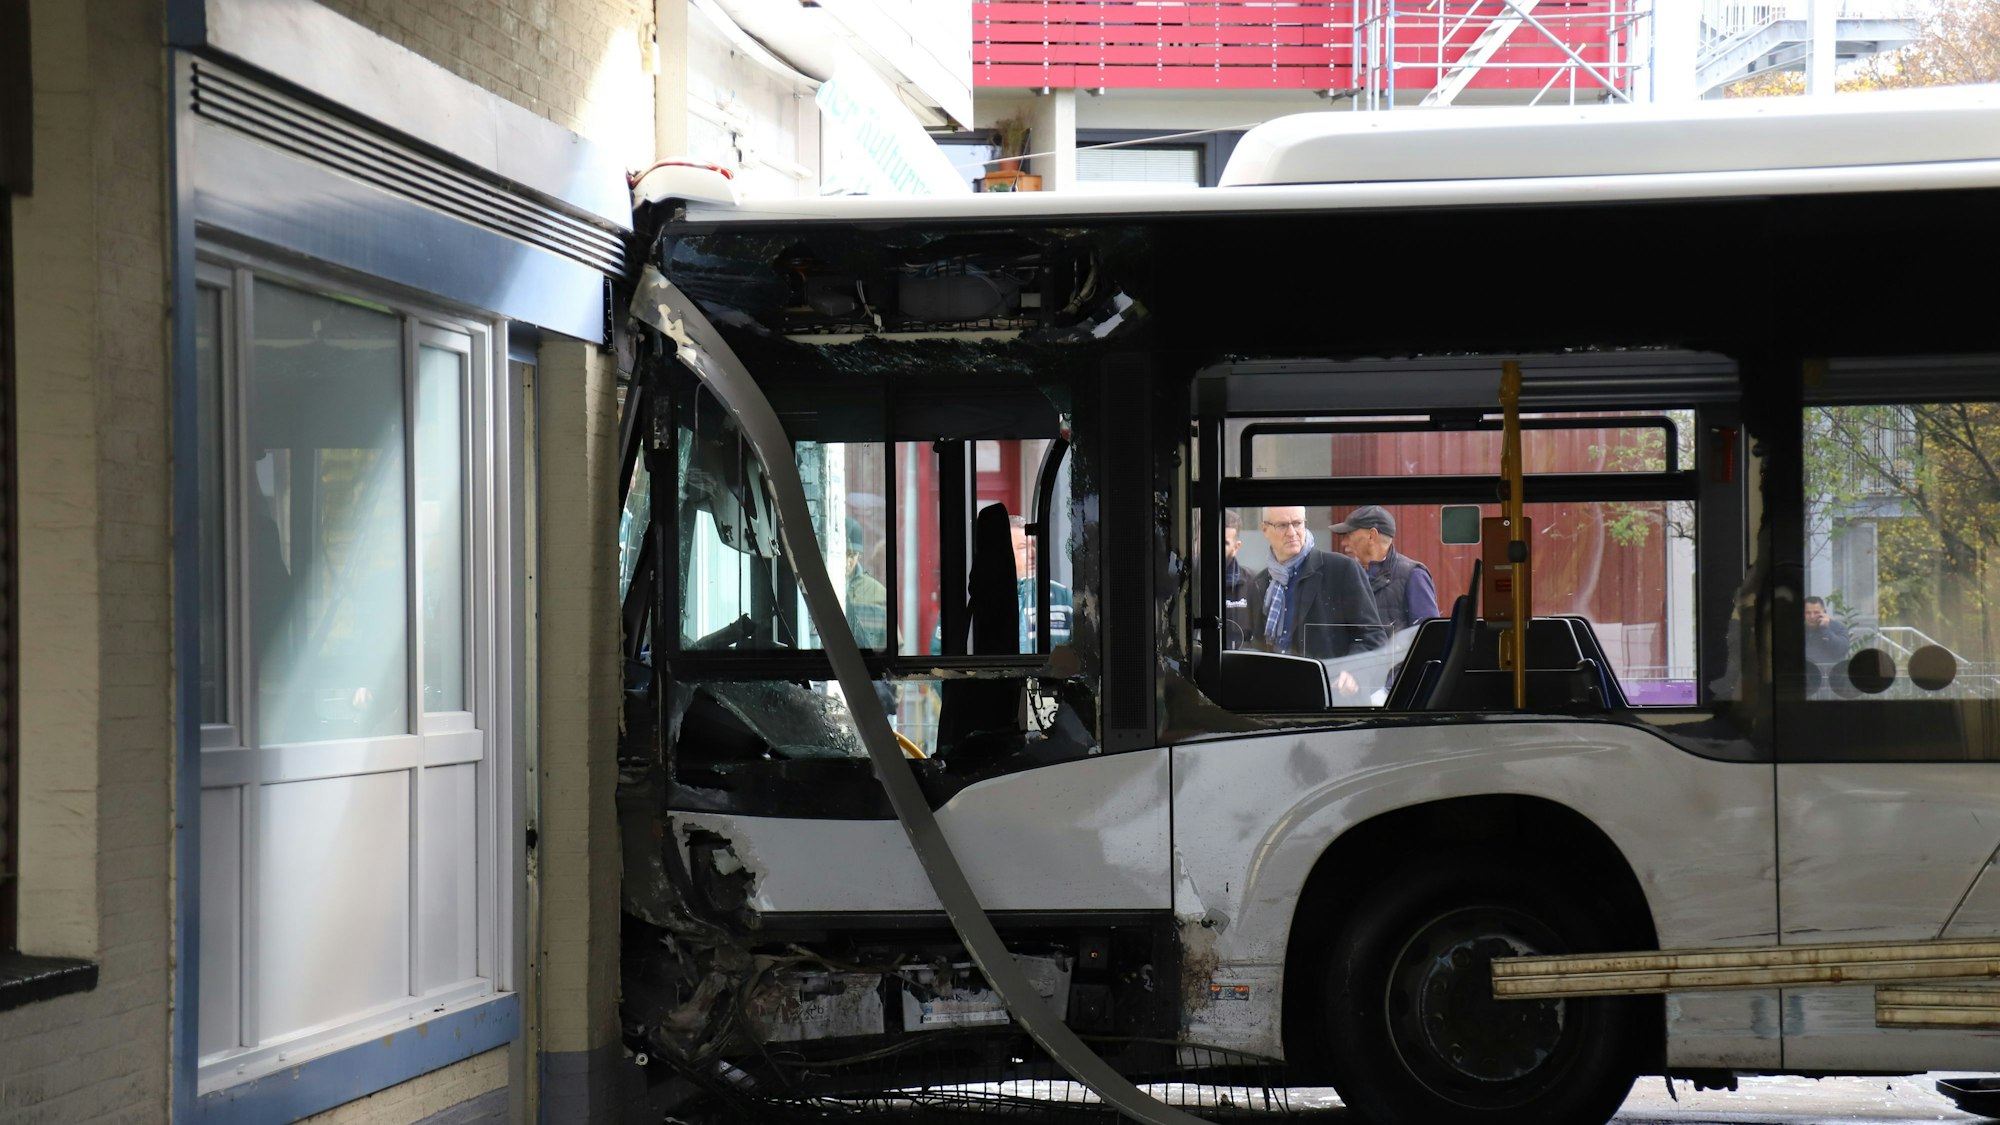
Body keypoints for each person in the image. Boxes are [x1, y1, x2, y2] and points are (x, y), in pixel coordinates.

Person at [1247, 505, 1386, 694]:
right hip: (1277, 698)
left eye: (1297, 523)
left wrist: (1355, 673)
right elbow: (1258, 646)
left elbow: (1373, 637)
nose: (1292, 532)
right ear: (1265, 530)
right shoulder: (1260, 583)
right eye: (1282, 525)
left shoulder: (1341, 569)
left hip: (1331, 697)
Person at [1333, 505, 1439, 633]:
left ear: (1372, 536)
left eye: (1348, 535)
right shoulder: (1348, 575)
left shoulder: (1413, 575)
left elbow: (1429, 635)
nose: (1343, 543)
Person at [1011, 515, 1072, 651]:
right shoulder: (986, 600)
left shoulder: (1062, 597)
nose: (1033, 554)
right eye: (1022, 547)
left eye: (1034, 545)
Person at [1221, 509, 1252, 647]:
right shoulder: (1187, 581)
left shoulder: (1254, 583)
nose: (1216, 547)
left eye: (1225, 543)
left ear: (1236, 547)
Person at [1804, 595, 1851, 667]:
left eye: (1816, 612)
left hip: (1829, 675)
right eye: (1808, 613)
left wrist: (1825, 629)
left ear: (1824, 612)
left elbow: (1842, 651)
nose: (1812, 616)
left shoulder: (1838, 627)